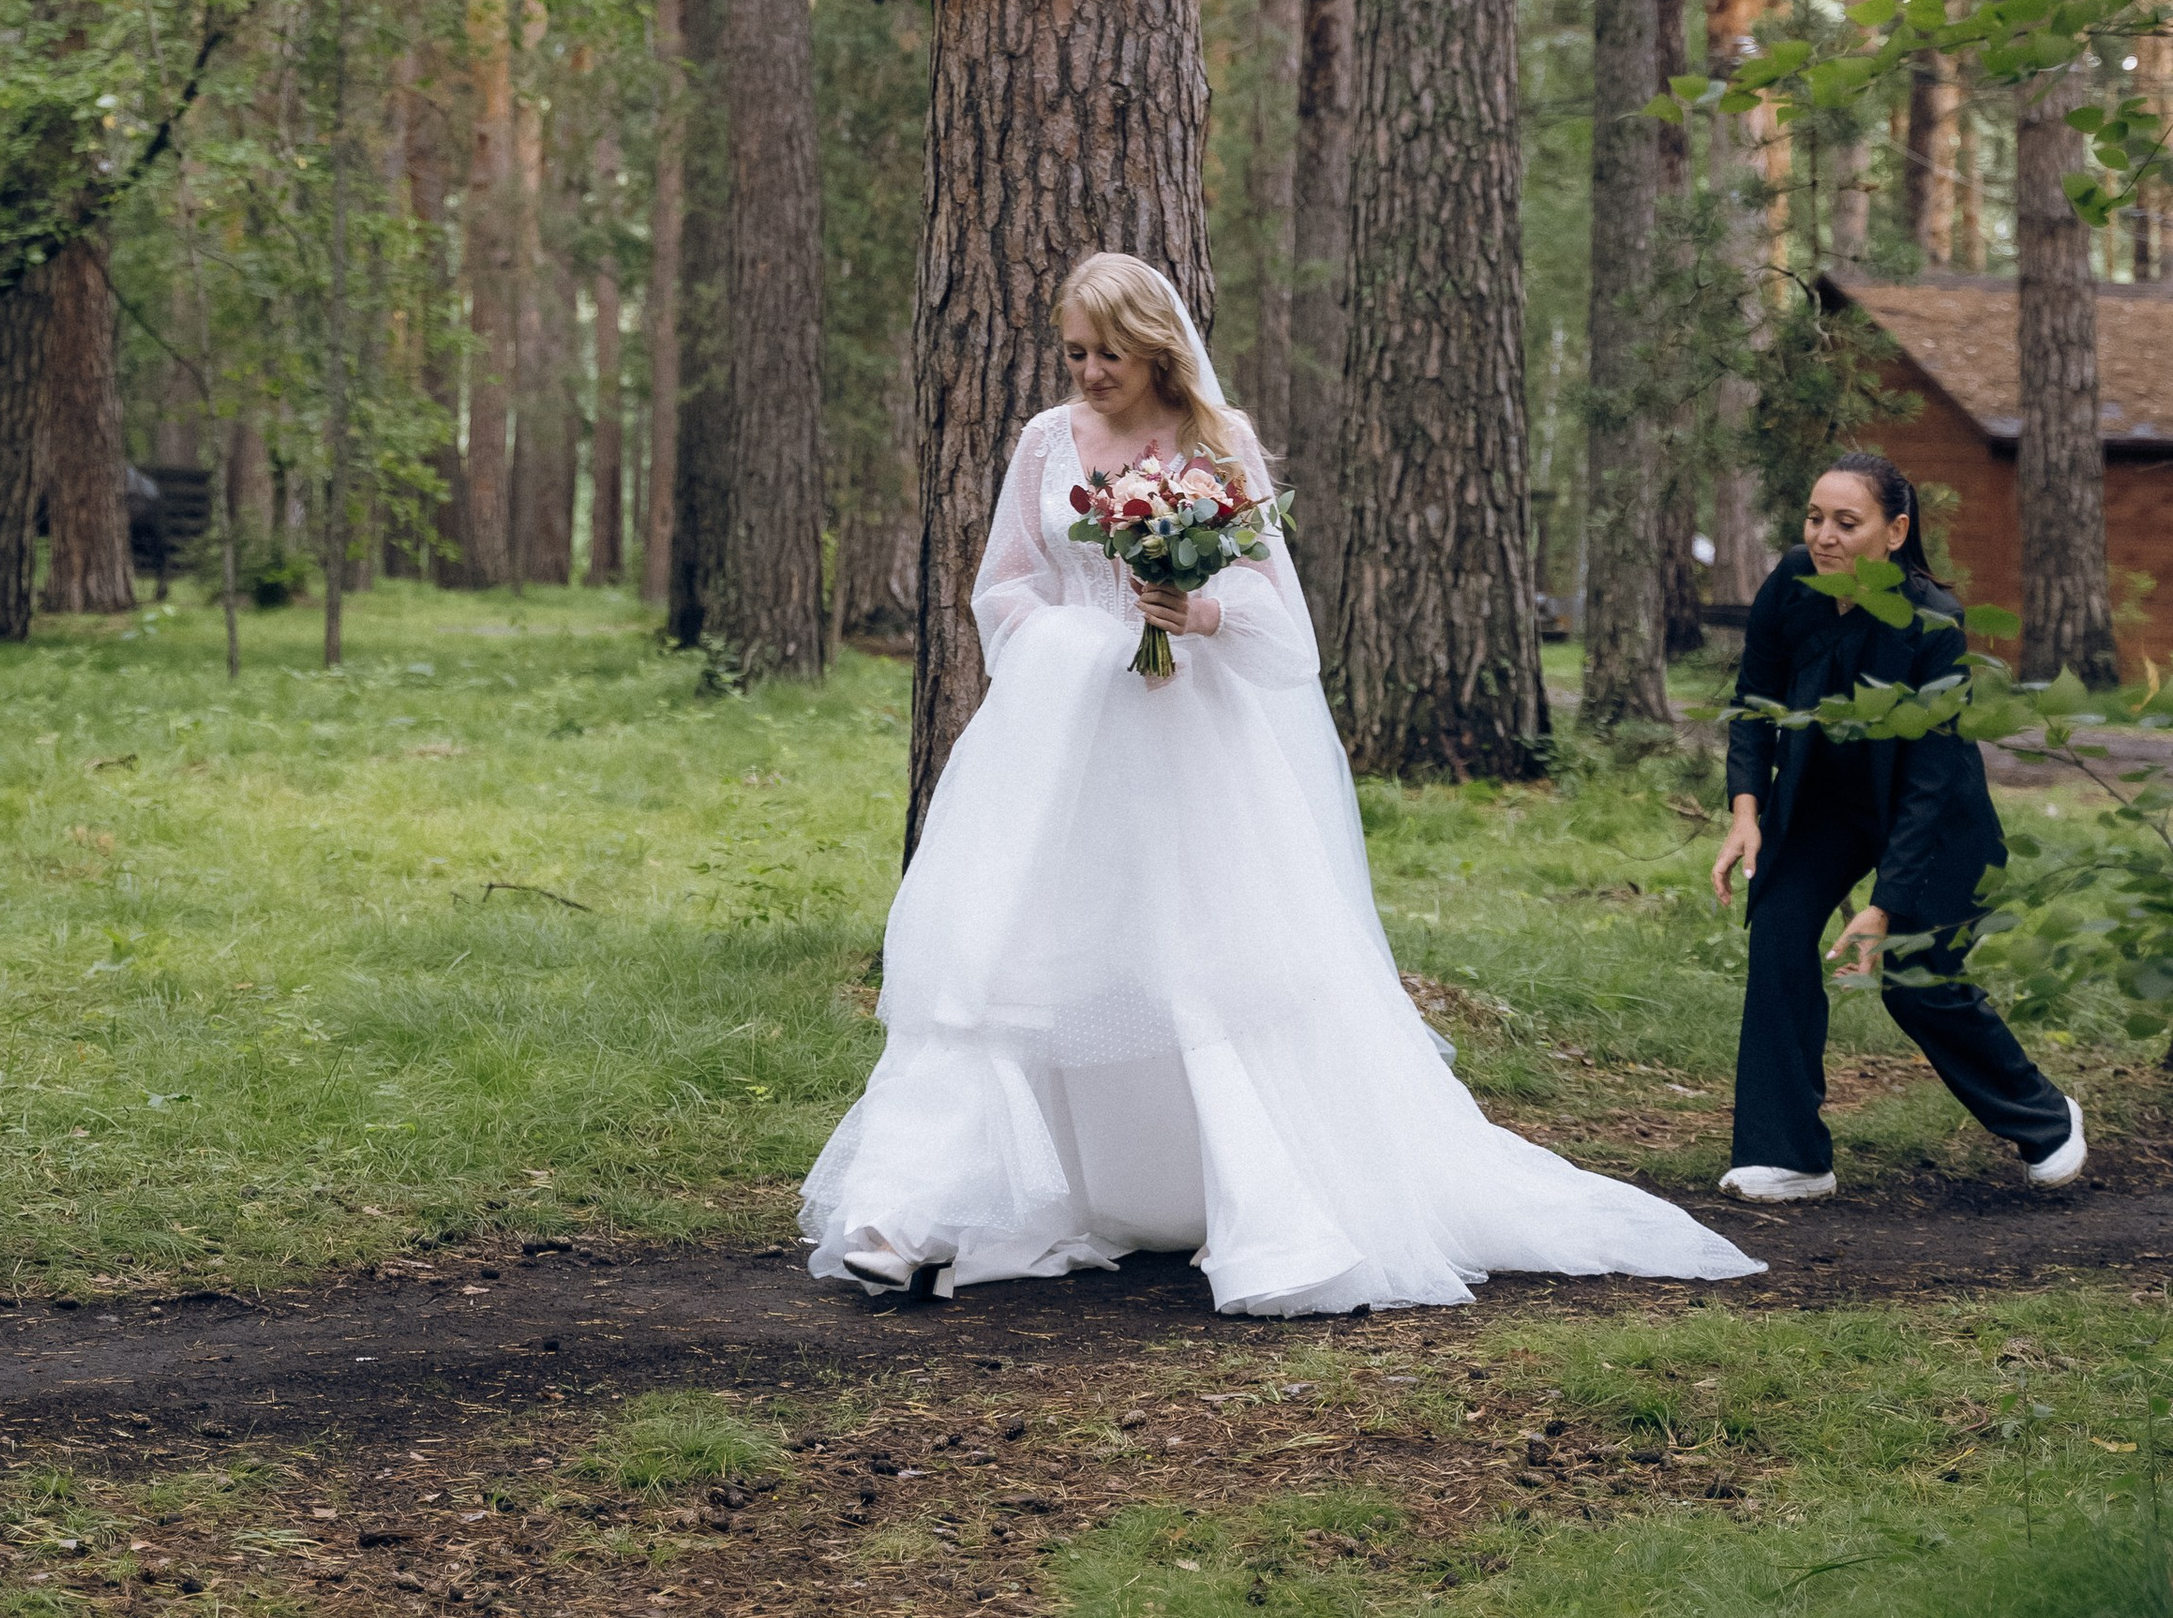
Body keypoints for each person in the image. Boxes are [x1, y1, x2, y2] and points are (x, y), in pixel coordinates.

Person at [800, 254, 1762, 1316]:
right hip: (1053, 745)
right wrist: (1071, 648)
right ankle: (912, 1214)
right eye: (1073, 353)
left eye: (1107, 354)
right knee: (1000, 961)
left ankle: (1252, 1196)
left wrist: (1192, 614)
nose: (1087, 373)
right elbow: (1005, 586)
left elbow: (1277, 624)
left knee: (1201, 961)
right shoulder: (1043, 440)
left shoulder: (1220, 444)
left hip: (1186, 745)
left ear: (1155, 345)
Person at [1712, 452, 2085, 1204]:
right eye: (1815, 518)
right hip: (1825, 805)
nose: (1824, 536)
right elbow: (1755, 697)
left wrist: (1886, 904)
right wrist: (1746, 812)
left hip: (1932, 817)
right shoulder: (1791, 581)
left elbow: (1929, 778)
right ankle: (1789, 1155)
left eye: (1847, 523)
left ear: (1894, 532)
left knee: (1917, 984)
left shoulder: (1933, 624)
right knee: (1780, 930)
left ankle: (2046, 1120)